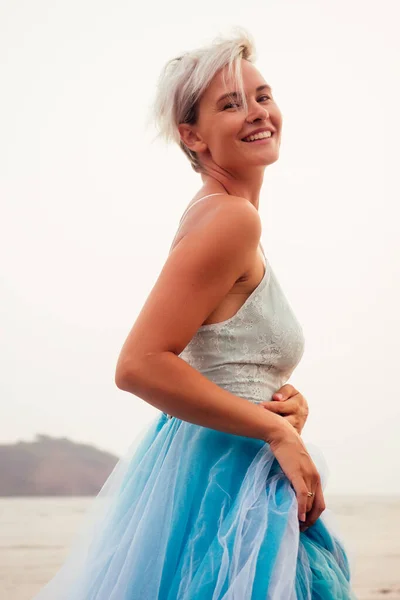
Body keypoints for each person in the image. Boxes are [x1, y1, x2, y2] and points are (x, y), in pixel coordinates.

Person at [33, 28, 357, 599]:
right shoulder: (232, 219)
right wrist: (271, 430)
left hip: (212, 467)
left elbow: (219, 359)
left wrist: (282, 402)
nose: (257, 112)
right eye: (230, 104)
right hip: (228, 481)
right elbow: (138, 364)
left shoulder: (219, 215)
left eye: (262, 95)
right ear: (193, 136)